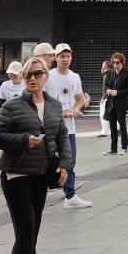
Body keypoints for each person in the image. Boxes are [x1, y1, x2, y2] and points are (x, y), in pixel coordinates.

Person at [0, 57, 71, 254]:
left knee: (32, 229)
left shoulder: (54, 106)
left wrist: (65, 164)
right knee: (26, 228)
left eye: (37, 74)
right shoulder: (12, 106)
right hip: (16, 175)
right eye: (28, 75)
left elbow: (62, 137)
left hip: (41, 174)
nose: (32, 79)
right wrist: (23, 141)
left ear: (46, 76)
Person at [45, 43, 91, 209]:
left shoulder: (75, 77)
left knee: (69, 159)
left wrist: (76, 109)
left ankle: (70, 195)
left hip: (68, 127)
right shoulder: (48, 76)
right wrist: (56, 112)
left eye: (68, 56)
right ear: (55, 58)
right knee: (47, 160)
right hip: (50, 126)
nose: (65, 59)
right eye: (62, 56)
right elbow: (41, 98)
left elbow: (80, 99)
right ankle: (40, 192)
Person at [102, 53, 128, 156]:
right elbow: (106, 84)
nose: (115, 64)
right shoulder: (110, 73)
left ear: (122, 63)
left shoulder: (127, 73)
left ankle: (124, 147)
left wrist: (118, 92)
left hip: (121, 103)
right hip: (111, 103)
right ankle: (113, 148)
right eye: (113, 62)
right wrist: (107, 91)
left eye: (117, 63)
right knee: (112, 126)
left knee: (122, 124)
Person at [97, 61, 110, 137]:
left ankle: (104, 131)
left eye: (103, 64)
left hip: (106, 98)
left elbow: (107, 87)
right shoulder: (105, 74)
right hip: (106, 97)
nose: (102, 65)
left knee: (103, 114)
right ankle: (118, 128)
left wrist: (103, 97)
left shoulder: (108, 74)